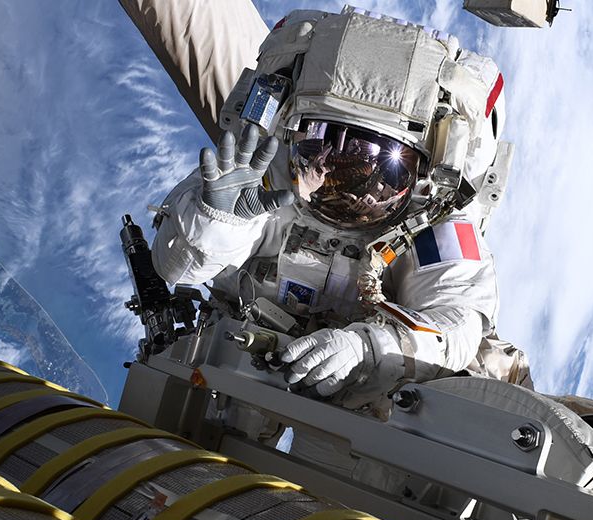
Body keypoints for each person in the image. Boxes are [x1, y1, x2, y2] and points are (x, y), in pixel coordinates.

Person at [150, 7, 526, 417]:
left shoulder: (435, 222)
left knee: (479, 376)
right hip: (246, 350)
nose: (339, 174)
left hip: (374, 387)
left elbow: (458, 322)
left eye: (380, 165)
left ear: (425, 173)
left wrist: (367, 348)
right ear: (290, 132)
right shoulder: (256, 176)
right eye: (320, 143)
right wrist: (216, 223)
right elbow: (175, 269)